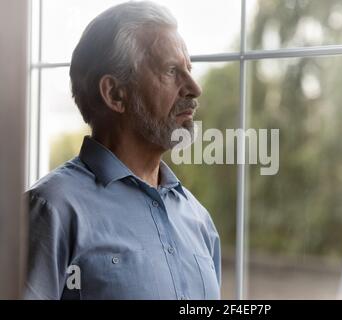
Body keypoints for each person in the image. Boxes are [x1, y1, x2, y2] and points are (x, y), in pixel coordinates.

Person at [23, 1, 221, 300]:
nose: (194, 87)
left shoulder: (199, 221)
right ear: (115, 93)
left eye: (189, 70)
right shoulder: (50, 210)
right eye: (171, 71)